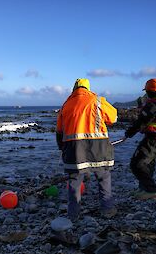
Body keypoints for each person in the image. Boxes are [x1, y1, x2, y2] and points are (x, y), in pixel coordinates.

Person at [56, 78, 117, 221]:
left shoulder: (66, 105)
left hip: (74, 150)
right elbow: (113, 118)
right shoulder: (98, 101)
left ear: (74, 88)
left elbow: (59, 131)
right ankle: (107, 209)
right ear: (88, 88)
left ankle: (73, 215)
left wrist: (62, 149)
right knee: (103, 177)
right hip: (99, 148)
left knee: (74, 182)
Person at [125, 78, 156, 200]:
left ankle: (151, 191)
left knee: (137, 163)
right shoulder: (153, 103)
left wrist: (129, 133)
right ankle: (144, 188)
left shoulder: (154, 104)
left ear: (150, 91)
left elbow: (142, 121)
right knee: (149, 162)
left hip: (155, 138)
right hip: (154, 138)